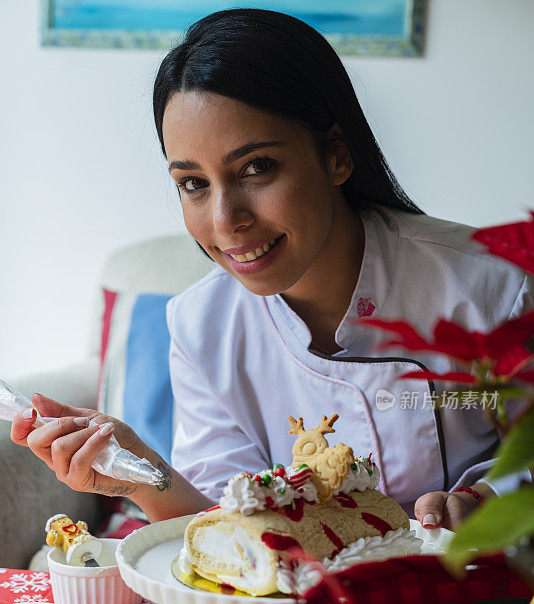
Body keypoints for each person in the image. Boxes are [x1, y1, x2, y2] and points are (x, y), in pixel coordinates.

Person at [11, 9, 532, 532]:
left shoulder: (495, 286)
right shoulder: (201, 327)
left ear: (336, 155)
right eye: (193, 183)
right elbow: (227, 529)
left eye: (256, 168)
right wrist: (140, 476)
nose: (226, 221)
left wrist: (487, 498)